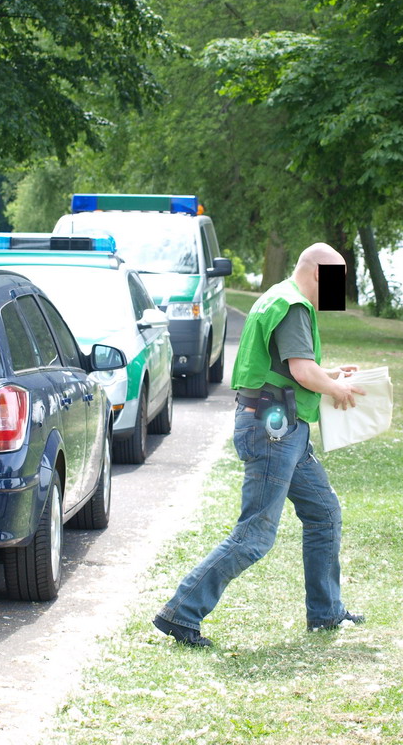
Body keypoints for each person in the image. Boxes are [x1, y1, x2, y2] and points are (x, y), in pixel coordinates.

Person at [154, 243, 366, 647]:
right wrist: (332, 385)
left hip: (282, 427)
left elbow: (290, 367)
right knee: (255, 535)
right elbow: (303, 372)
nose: (338, 293)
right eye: (337, 281)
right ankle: (181, 612)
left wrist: (331, 373)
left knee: (324, 513)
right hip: (274, 430)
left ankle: (326, 614)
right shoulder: (294, 306)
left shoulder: (278, 296)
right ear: (319, 274)